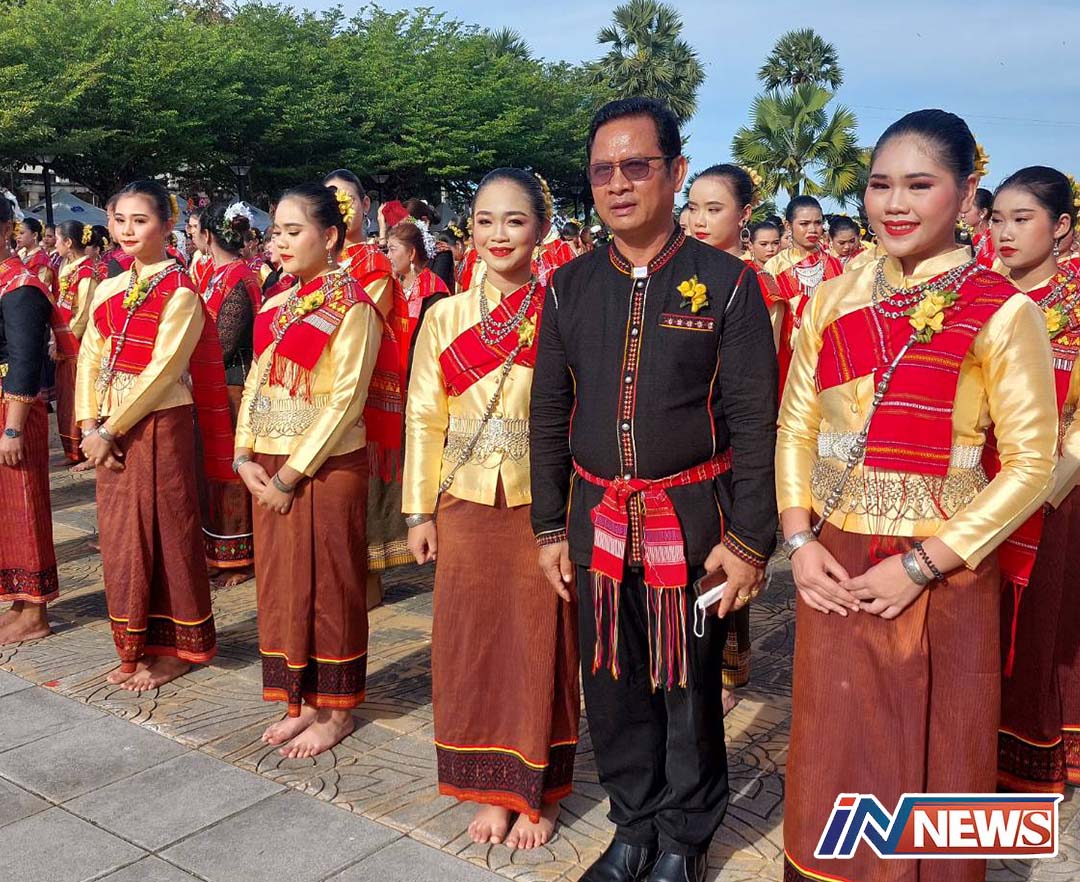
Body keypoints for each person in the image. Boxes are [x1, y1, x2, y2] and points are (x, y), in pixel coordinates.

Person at [776, 110, 1057, 882]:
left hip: (946, 567)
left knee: (936, 746)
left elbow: (1031, 465)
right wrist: (798, 543)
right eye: (879, 185)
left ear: (966, 195)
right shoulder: (831, 299)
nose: (894, 204)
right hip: (833, 559)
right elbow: (796, 425)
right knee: (835, 739)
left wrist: (923, 565)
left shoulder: (1005, 311)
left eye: (919, 185)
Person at [530, 97, 778, 882]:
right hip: (596, 525)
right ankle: (633, 827)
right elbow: (548, 412)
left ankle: (683, 839)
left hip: (695, 529)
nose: (618, 183)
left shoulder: (729, 283)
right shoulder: (568, 285)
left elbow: (755, 422)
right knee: (611, 687)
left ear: (675, 171)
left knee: (687, 690)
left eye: (637, 166)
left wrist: (749, 540)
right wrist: (547, 527)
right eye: (602, 170)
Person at [404, 168, 579, 850]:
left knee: (542, 641)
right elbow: (424, 416)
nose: (498, 234)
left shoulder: (563, 308)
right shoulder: (444, 316)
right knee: (470, 643)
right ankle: (486, 784)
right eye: (484, 220)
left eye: (514, 220)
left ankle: (539, 790)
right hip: (465, 499)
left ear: (541, 228)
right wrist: (418, 511)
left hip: (545, 503)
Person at [234, 183, 382, 757]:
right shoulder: (278, 302)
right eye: (277, 231)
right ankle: (302, 700)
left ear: (331, 236)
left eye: (294, 232)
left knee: (330, 587)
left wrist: (288, 477)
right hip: (269, 463)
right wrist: (244, 455)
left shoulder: (354, 306)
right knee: (284, 587)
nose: (281, 242)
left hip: (324, 467)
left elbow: (345, 400)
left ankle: (336, 710)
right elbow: (256, 380)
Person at [76, 180, 233, 691]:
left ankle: (177, 648)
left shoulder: (182, 292)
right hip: (109, 427)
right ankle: (135, 641)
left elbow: (164, 371)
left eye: (140, 221)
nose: (127, 230)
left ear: (167, 226)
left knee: (168, 531)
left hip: (159, 424)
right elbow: (89, 357)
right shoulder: (108, 287)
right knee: (121, 536)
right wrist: (87, 423)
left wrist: (109, 428)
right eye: (119, 220)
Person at [989, 166, 1080, 793]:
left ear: (1061, 226)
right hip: (973, 487)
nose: (1006, 233)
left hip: (1055, 488)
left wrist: (1045, 483)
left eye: (1022, 220)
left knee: (1042, 625)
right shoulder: (977, 295)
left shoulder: (1073, 305)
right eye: (997, 219)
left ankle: (1029, 754)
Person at [686, 163, 786, 716]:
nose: (699, 220)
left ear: (744, 215)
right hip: (685, 435)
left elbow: (757, 380)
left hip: (729, 436)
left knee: (729, 553)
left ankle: (724, 672)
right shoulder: (675, 272)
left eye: (714, 209)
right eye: (692, 207)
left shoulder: (756, 284)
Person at [323, 170, 410, 599]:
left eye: (347, 199)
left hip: (361, 392)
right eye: (331, 201)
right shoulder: (315, 263)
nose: (340, 208)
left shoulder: (373, 264)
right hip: (319, 392)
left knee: (362, 492)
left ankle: (365, 588)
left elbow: (357, 326)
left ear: (365, 204)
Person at [0, 197, 58, 646]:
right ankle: (18, 602)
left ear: (6, 229)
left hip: (12, 410)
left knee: (24, 506)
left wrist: (13, 428)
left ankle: (35, 611)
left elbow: (25, 360)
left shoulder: (21, 286)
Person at [196, 201, 262, 587]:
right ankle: (217, 550)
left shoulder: (237, 277)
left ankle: (241, 556)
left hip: (232, 383)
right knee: (211, 467)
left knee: (230, 467)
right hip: (212, 380)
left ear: (208, 235)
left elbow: (224, 341)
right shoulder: (216, 273)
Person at [54, 221, 103, 466]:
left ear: (69, 242)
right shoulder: (68, 267)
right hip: (64, 342)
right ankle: (72, 450)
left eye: (57, 239)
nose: (55, 244)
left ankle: (87, 451)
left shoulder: (86, 273)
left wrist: (63, 340)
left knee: (80, 396)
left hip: (78, 346)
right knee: (66, 398)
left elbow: (83, 314)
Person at [386, 219, 450, 378]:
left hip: (418, 373)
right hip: (391, 370)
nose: (388, 256)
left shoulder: (433, 290)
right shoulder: (391, 284)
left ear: (411, 253)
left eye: (392, 250)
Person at [964, 186, 995, 267]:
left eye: (968, 209)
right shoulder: (966, 238)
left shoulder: (993, 242)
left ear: (982, 213)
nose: (963, 213)